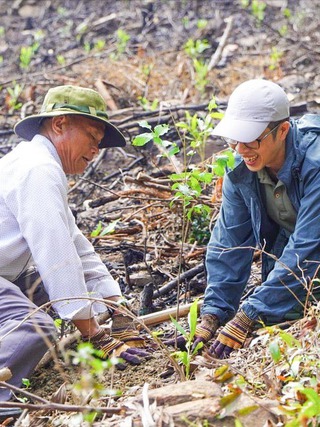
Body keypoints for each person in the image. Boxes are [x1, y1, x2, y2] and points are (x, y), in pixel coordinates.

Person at [0, 85, 149, 417]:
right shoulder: (37, 169)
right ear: (59, 124)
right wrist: (94, 333)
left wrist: (117, 309)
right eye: (92, 137)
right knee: (34, 326)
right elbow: (55, 252)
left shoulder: (39, 163)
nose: (96, 149)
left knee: (45, 295)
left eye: (99, 143)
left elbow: (77, 247)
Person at [174, 79, 320, 359]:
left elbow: (309, 245)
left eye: (251, 139)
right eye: (234, 139)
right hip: (301, 269)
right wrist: (213, 314)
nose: (240, 149)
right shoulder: (241, 168)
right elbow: (229, 243)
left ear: (283, 130)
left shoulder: (316, 161)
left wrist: (249, 314)